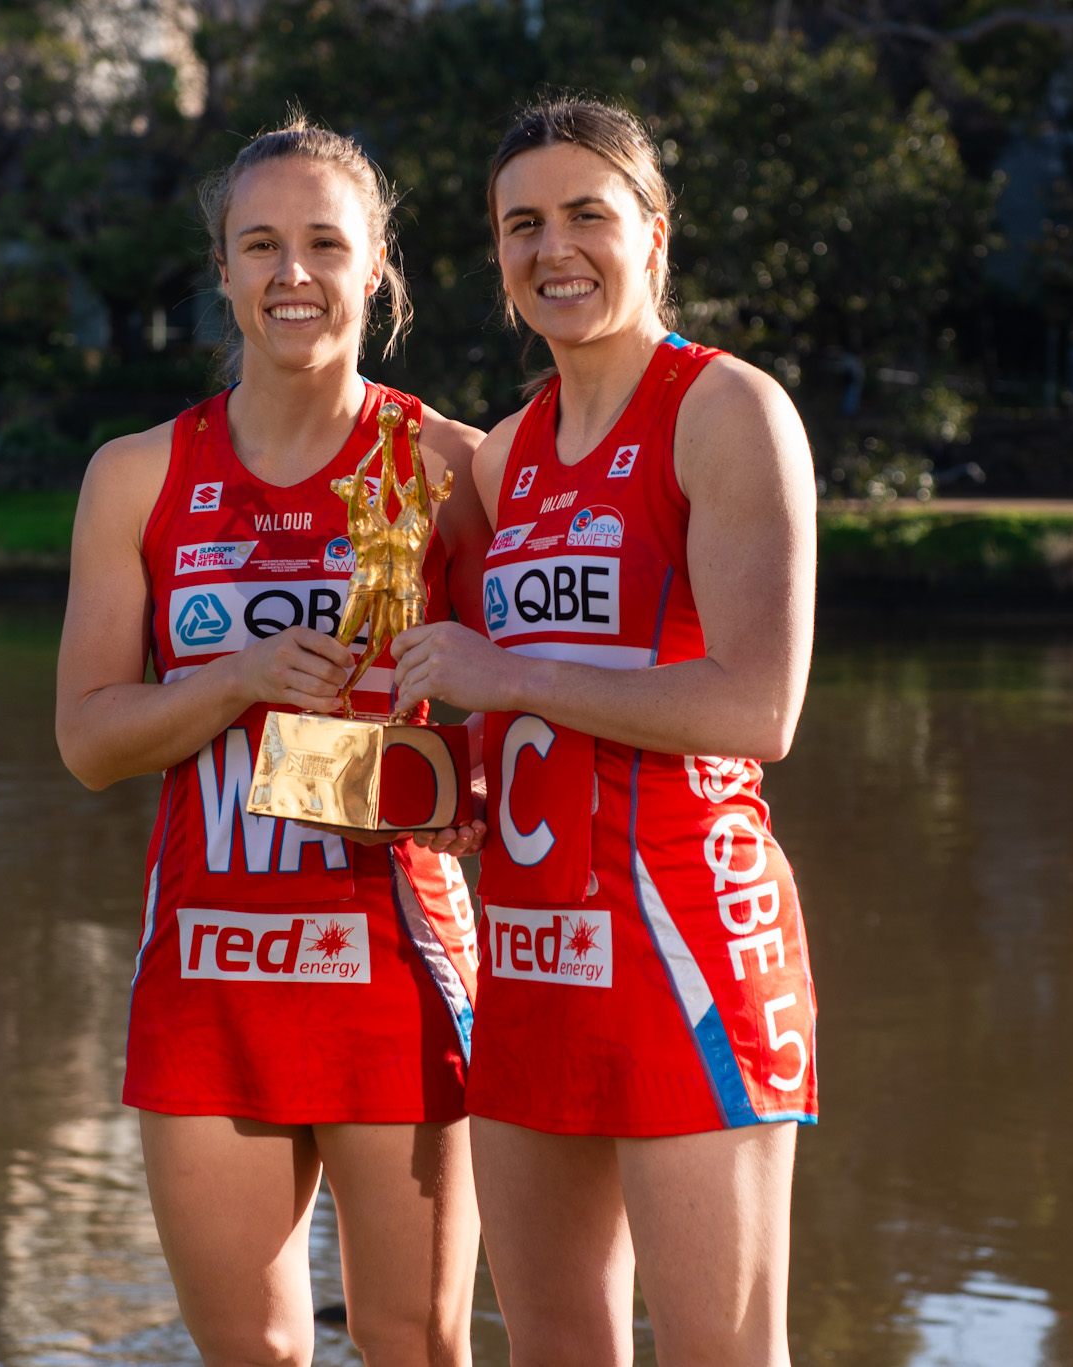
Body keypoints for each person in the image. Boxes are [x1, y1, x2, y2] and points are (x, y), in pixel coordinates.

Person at [391, 99, 820, 1367]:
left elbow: (756, 706)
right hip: (529, 950)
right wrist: (435, 775)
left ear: (654, 236)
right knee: (554, 1349)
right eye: (522, 223)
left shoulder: (725, 409)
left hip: (686, 942)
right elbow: (519, 712)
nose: (553, 246)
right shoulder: (502, 453)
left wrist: (502, 674)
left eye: (587, 213)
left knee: (720, 1352)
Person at [55, 116, 489, 1367]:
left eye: (321, 243)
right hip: (208, 965)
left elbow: (523, 708)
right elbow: (88, 740)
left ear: (375, 266)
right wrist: (238, 677)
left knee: (416, 1346)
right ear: (225, 269)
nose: (290, 273)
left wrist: (462, 787)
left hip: (395, 966)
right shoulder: (137, 476)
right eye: (260, 244)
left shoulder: (454, 467)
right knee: (253, 1353)